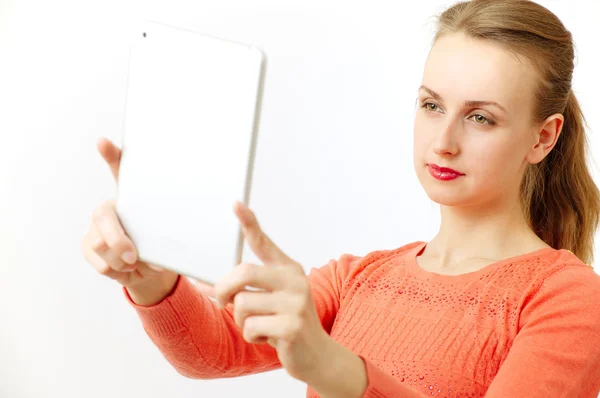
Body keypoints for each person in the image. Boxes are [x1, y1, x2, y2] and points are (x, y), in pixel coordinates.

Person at [82, 0, 600, 396]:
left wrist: (340, 372)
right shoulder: (359, 279)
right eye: (431, 105)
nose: (443, 140)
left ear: (543, 138)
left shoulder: (568, 300)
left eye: (480, 117)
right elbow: (210, 351)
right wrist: (151, 278)